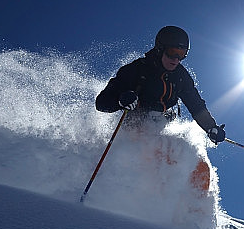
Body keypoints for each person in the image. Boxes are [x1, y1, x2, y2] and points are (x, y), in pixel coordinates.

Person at [95, 26, 225, 145]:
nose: (176, 59)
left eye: (182, 54)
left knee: (174, 142)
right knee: (142, 136)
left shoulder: (180, 76)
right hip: (135, 122)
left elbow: (195, 104)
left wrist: (210, 127)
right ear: (160, 49)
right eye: (172, 52)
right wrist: (120, 100)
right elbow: (101, 103)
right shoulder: (135, 70)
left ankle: (178, 160)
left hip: (162, 121)